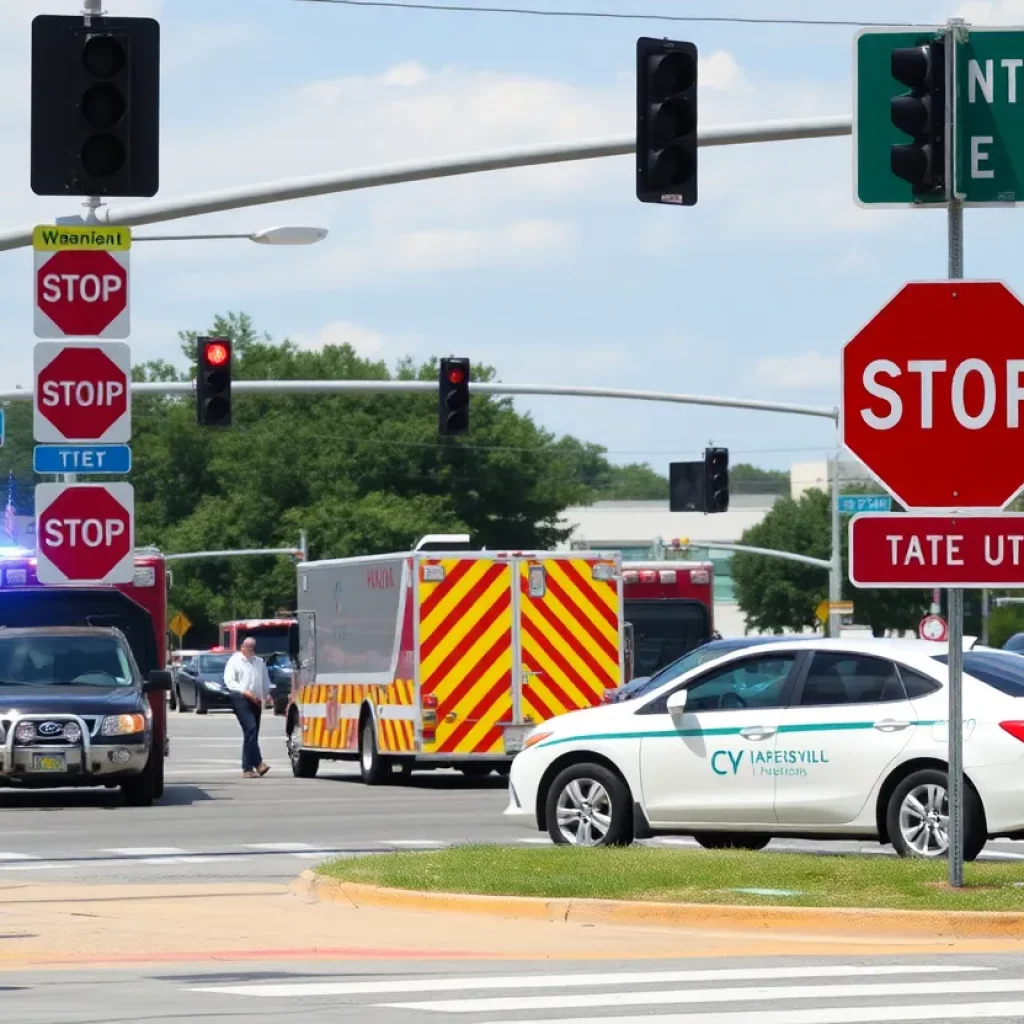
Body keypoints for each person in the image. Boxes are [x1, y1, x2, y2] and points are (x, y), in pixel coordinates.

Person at [223, 637, 272, 778]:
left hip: (255, 699)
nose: (250, 649)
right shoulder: (235, 661)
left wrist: (267, 695)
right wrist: (244, 691)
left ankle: (247, 769)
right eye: (247, 646)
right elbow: (229, 681)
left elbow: (265, 681)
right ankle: (258, 764)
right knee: (250, 727)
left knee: (251, 733)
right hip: (240, 698)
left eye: (253, 646)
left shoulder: (259, 662)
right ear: (242, 646)